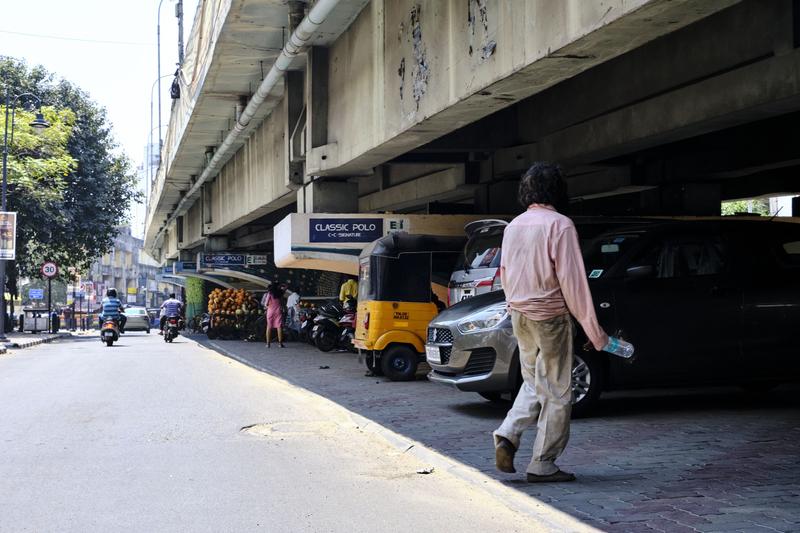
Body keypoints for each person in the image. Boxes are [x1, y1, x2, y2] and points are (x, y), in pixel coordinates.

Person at [493, 162, 609, 483]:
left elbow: (506, 273)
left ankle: (508, 432)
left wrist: (514, 307)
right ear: (558, 190)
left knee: (534, 382)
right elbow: (573, 283)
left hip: (520, 315)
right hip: (551, 318)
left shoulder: (513, 226)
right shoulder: (561, 225)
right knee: (559, 391)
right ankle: (543, 462)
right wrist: (593, 331)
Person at [261, 284, 285, 348]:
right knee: (279, 327)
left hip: (270, 311)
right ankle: (280, 344)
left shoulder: (269, 294)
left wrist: (268, 306)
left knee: (269, 327)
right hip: (278, 311)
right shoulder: (279, 294)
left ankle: (268, 344)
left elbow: (266, 304)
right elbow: (285, 288)